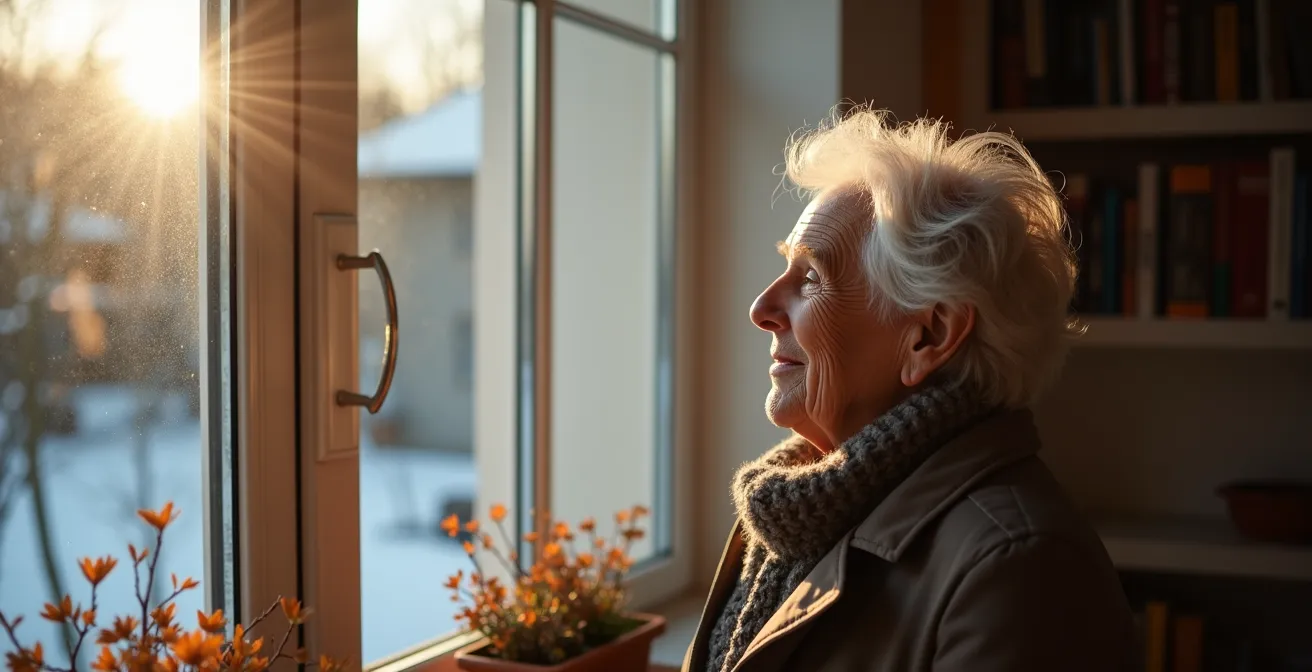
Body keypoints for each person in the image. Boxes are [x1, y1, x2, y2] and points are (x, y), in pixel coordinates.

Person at [682, 108, 1134, 672]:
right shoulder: (797, 514)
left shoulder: (1016, 568)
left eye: (812, 278)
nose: (761, 310)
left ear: (930, 335)